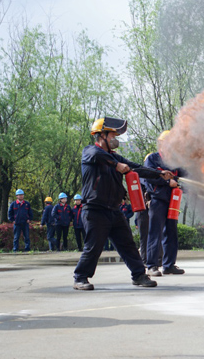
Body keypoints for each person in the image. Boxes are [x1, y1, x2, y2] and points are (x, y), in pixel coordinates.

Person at [72, 116, 172, 290]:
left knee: (128, 245)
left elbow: (136, 168)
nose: (116, 138)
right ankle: (80, 278)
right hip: (95, 210)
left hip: (113, 210)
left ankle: (139, 275)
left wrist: (159, 174)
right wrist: (116, 165)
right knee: (93, 247)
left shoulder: (115, 157)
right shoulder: (89, 152)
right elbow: (98, 155)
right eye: (113, 135)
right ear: (101, 135)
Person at [144, 130, 187, 276]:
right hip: (157, 200)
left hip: (172, 202)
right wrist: (168, 182)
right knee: (155, 233)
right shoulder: (152, 159)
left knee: (171, 233)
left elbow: (184, 178)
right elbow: (147, 177)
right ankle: (151, 266)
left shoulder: (175, 162)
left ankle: (169, 265)